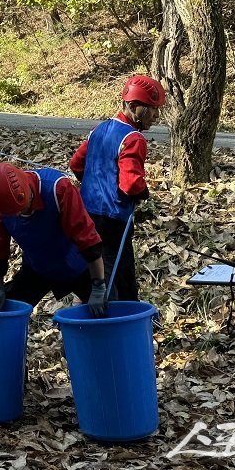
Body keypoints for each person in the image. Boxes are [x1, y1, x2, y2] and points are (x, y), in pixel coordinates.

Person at [69, 74, 164, 302]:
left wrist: (93, 182)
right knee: (113, 273)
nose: (156, 116)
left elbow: (76, 164)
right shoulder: (133, 139)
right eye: (151, 109)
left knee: (107, 268)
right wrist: (143, 192)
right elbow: (130, 183)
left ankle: (124, 310)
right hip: (113, 219)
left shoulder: (100, 129)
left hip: (86, 212)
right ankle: (113, 319)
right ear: (132, 106)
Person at [0, 162, 108, 317]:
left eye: (21, 210)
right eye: (11, 213)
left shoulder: (58, 188)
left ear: (27, 191)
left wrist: (98, 285)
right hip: (38, 266)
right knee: (5, 311)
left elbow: (87, 239)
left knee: (109, 312)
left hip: (80, 265)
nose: (16, 216)